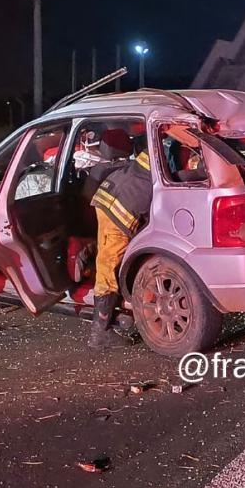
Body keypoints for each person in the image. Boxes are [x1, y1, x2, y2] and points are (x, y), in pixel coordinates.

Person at [86, 130, 152, 348]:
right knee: (108, 265)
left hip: (114, 198)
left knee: (111, 260)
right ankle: (99, 334)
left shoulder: (160, 147)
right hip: (114, 208)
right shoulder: (168, 153)